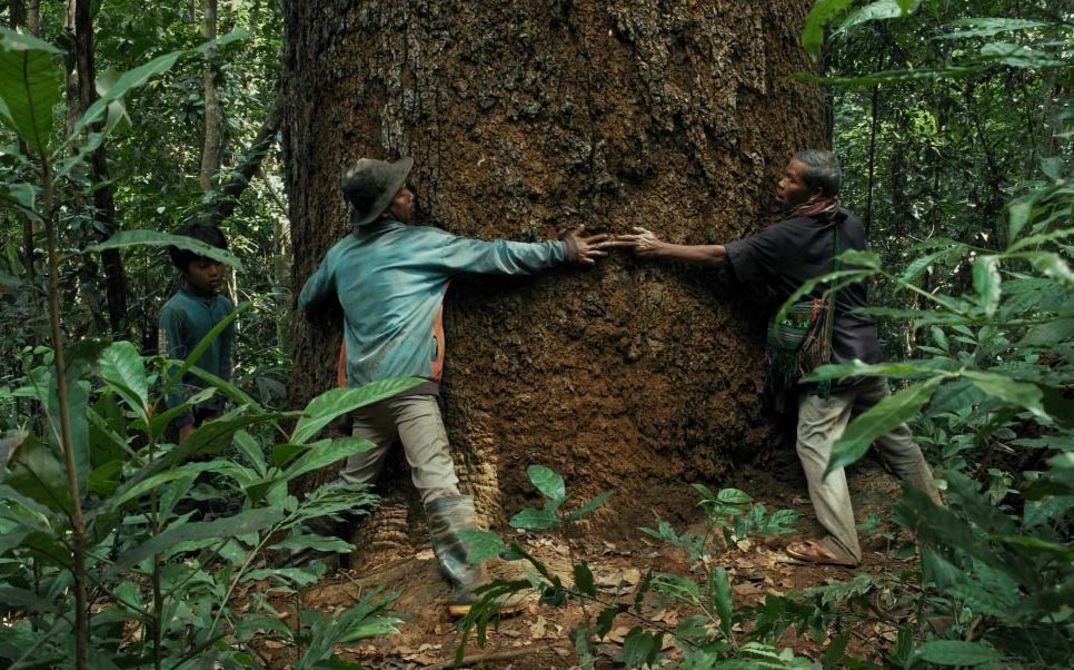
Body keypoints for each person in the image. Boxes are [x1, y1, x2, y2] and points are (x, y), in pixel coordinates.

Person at [298, 156, 611, 615]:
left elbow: (308, 297)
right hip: (409, 390)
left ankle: (302, 565)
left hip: (363, 396)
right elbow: (495, 256)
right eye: (401, 193)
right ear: (386, 208)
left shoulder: (341, 254)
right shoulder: (422, 244)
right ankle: (469, 588)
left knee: (350, 483)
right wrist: (561, 250)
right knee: (439, 484)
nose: (411, 196)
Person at [608, 149, 942, 567]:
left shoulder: (787, 238)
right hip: (866, 351)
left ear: (814, 191)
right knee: (896, 436)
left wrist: (658, 248)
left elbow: (721, 256)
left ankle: (841, 543)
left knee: (817, 442)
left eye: (791, 179)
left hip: (831, 361)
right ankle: (940, 519)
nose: (780, 182)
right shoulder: (849, 223)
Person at [158, 223, 235, 444]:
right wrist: (184, 422)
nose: (214, 271)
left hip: (212, 410)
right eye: (203, 266)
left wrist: (218, 407)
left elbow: (225, 359)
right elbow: (169, 369)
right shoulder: (173, 312)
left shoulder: (225, 307)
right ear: (184, 269)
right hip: (182, 413)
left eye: (219, 262)